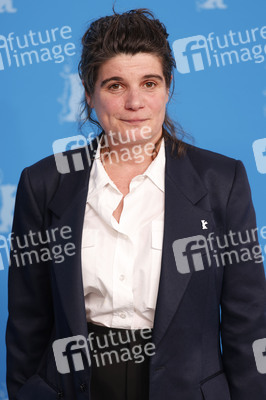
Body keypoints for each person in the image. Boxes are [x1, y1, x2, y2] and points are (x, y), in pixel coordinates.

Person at [5, 8, 266, 400]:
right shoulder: (43, 183)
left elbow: (248, 323)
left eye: (149, 83)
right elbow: (28, 320)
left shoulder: (221, 181)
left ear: (168, 88)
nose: (134, 102)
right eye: (114, 85)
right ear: (89, 91)